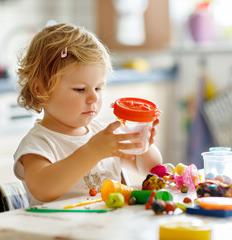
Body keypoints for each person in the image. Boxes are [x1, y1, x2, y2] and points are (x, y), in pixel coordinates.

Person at [13, 23, 162, 206]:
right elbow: (43, 188)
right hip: (58, 230)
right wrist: (92, 151)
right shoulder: (39, 143)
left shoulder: (102, 135)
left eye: (99, 88)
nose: (93, 98)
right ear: (40, 89)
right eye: (80, 89)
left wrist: (142, 144)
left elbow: (149, 167)